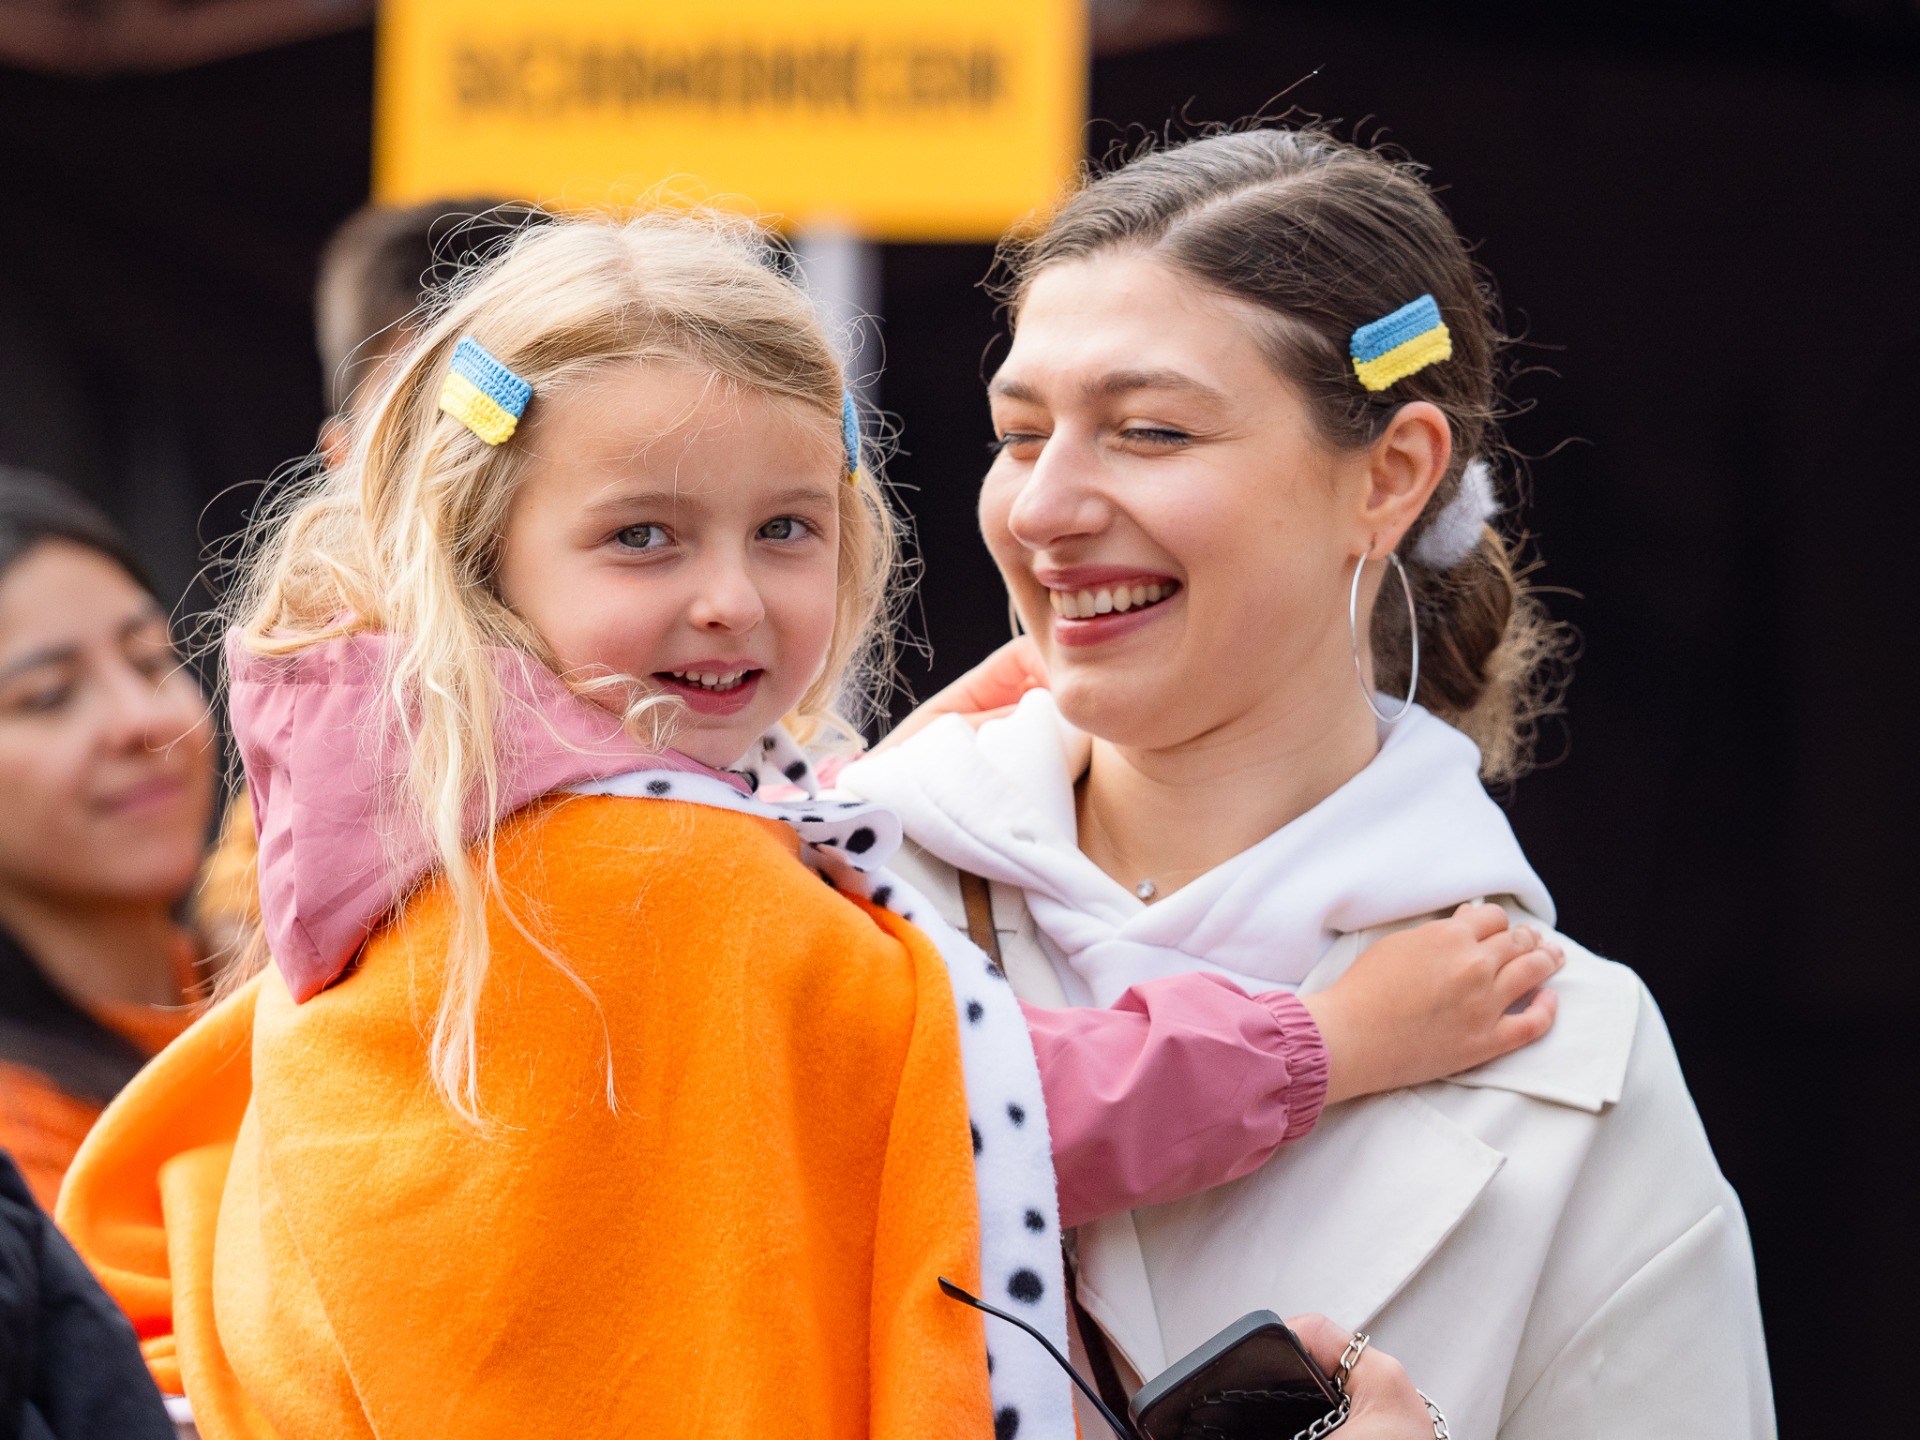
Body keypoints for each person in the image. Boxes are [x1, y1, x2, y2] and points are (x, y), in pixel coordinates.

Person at [54, 209, 1515, 1440]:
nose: (729, 599)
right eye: (642, 536)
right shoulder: (643, 869)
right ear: (480, 550)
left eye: (785, 530)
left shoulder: (451, 795)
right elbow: (972, 1105)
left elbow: (761, 926)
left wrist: (923, 750)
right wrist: (1334, 1040)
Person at [843, 126, 1774, 1439]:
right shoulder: (826, 907)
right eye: (1021, 434)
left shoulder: (1577, 1058)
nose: (1043, 510)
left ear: (1389, 477)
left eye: (1149, 431)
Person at [0, 468, 215, 1210]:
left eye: (150, 658)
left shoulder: (296, 961)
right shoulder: (23, 1151)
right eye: (47, 697)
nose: (142, 719)